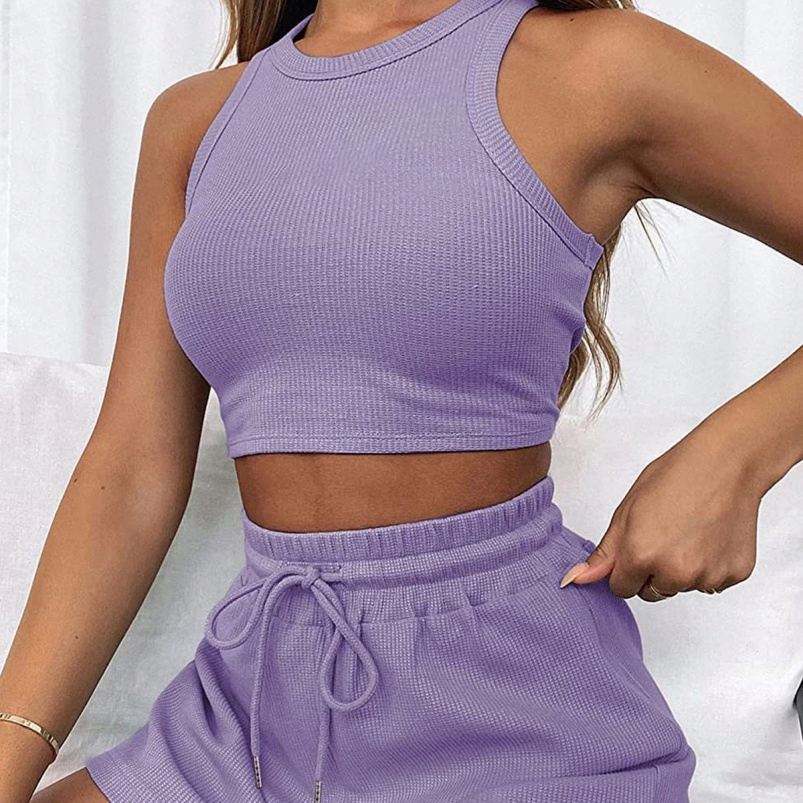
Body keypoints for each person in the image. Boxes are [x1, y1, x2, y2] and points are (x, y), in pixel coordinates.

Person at [1, 0, 801, 801]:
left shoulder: (597, 65)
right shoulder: (196, 121)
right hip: (247, 717)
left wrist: (735, 454)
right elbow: (131, 466)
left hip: (515, 719)